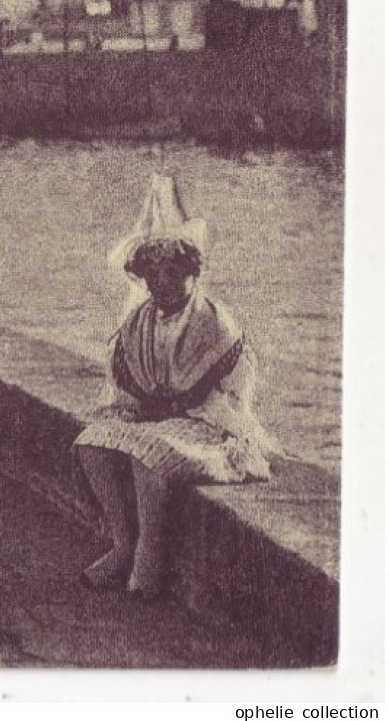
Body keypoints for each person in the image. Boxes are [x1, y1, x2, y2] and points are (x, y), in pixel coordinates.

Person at [74, 175, 279, 599]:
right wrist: (144, 405)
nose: (161, 284)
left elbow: (227, 389)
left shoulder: (213, 320)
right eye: (153, 275)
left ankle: (149, 554)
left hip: (209, 420)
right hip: (160, 416)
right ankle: (122, 542)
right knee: (93, 443)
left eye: (172, 274)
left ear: (192, 273)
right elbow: (129, 376)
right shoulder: (142, 318)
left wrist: (179, 406)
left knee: (150, 456)